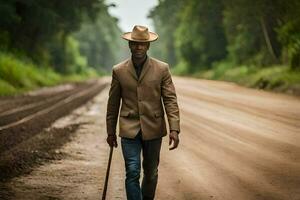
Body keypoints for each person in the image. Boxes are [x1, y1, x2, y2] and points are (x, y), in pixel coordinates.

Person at [106, 25, 180, 200]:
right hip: (129, 129)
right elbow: (113, 104)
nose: (138, 47)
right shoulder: (119, 70)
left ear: (148, 46)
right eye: (135, 43)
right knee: (132, 171)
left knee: (151, 173)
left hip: (154, 128)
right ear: (129, 45)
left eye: (142, 44)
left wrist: (174, 128)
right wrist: (110, 131)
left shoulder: (162, 69)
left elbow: (170, 100)